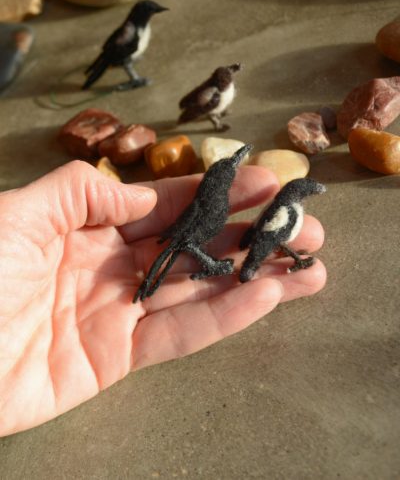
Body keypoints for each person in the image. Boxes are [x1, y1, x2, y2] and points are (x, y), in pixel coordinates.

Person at [0, 161, 326, 437]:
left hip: (192, 243)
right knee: (167, 264)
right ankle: (189, 272)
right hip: (185, 240)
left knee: (171, 267)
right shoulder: (213, 202)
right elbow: (193, 229)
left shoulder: (216, 201)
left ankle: (191, 271)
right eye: (228, 173)